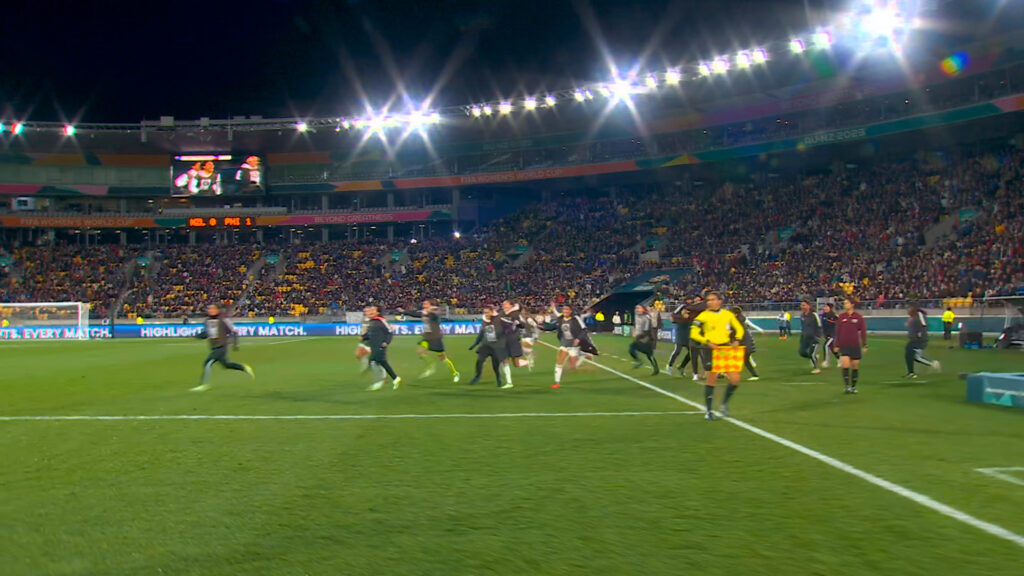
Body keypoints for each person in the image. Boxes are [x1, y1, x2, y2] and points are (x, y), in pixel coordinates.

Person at [689, 292, 745, 421]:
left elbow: (739, 328)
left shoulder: (727, 314)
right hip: (710, 349)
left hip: (725, 348)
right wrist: (707, 342)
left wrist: (737, 339)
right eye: (708, 300)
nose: (710, 302)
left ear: (720, 301)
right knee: (711, 379)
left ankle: (724, 403)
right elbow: (693, 333)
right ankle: (709, 411)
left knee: (735, 379)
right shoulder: (703, 316)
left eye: (713, 299)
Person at [190, 303, 254, 392]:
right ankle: (243, 367)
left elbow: (233, 331)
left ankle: (204, 384)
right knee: (226, 365)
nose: (211, 311)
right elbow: (207, 334)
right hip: (214, 346)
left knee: (207, 362)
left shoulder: (223, 319)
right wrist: (198, 336)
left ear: (217, 310)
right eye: (209, 309)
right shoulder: (207, 321)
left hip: (222, 346)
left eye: (213, 309)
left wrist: (235, 344)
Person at [401, 299, 459, 382]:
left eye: (426, 304)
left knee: (442, 358)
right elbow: (414, 314)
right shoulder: (424, 312)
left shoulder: (435, 312)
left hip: (435, 337)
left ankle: (455, 373)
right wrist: (404, 311)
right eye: (423, 304)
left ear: (430, 305)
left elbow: (435, 315)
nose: (424, 305)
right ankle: (431, 366)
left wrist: (431, 310)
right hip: (427, 336)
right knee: (420, 351)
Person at [541, 305, 589, 389]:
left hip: (574, 346)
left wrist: (578, 339)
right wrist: (543, 327)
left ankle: (582, 354)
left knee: (573, 367)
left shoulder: (576, 319)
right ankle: (557, 382)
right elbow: (552, 327)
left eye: (567, 309)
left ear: (571, 311)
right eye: (564, 309)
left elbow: (584, 330)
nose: (565, 311)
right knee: (559, 363)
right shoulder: (560, 319)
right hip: (564, 344)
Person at [468, 305, 513, 389]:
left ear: (492, 312)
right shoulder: (484, 320)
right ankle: (477, 377)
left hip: (497, 346)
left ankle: (498, 377)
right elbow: (482, 333)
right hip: (486, 345)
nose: (486, 314)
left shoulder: (499, 319)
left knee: (495, 365)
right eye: (485, 312)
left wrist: (506, 337)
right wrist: (475, 344)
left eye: (487, 312)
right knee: (480, 360)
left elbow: (510, 328)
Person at [362, 305, 402, 390]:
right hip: (374, 346)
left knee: (375, 362)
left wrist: (386, 342)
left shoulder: (381, 321)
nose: (371, 311)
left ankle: (380, 381)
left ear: (378, 312)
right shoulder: (372, 321)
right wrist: (364, 337)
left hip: (380, 346)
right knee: (380, 362)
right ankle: (394, 378)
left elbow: (389, 332)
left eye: (373, 310)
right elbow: (370, 333)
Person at [833, 298, 868, 394]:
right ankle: (847, 386)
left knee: (855, 366)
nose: (845, 305)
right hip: (844, 345)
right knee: (845, 364)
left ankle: (853, 386)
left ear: (852, 304)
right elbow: (838, 332)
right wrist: (836, 345)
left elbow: (863, 331)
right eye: (844, 303)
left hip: (855, 345)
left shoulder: (858, 317)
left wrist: (864, 345)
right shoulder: (841, 317)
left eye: (846, 303)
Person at [905, 305, 941, 379]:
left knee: (911, 355)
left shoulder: (919, 316)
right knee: (913, 356)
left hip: (918, 340)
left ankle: (912, 373)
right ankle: (931, 364)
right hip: (914, 339)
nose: (907, 310)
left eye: (909, 308)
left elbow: (924, 326)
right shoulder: (913, 317)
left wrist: (920, 333)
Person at [731, 306, 764, 381]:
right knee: (744, 357)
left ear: (735, 314)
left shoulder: (736, 321)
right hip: (746, 340)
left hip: (745, 341)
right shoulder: (742, 319)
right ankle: (754, 373)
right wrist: (760, 329)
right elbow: (751, 325)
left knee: (743, 358)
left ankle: (754, 375)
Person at [666, 300, 695, 377]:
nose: (687, 312)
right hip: (680, 335)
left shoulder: (691, 315)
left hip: (688, 336)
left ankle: (681, 367)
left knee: (691, 352)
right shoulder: (679, 316)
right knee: (677, 351)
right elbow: (673, 316)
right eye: (685, 311)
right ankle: (669, 365)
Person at [629, 304, 660, 376]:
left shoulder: (646, 318)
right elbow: (636, 325)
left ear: (643, 309)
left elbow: (647, 331)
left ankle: (656, 369)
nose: (637, 309)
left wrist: (638, 336)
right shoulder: (637, 316)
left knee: (649, 355)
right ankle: (638, 361)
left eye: (639, 308)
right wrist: (634, 331)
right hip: (639, 339)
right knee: (631, 348)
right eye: (636, 308)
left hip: (647, 339)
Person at [798, 300, 823, 374]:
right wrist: (802, 336)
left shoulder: (814, 315)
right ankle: (813, 357)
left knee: (812, 353)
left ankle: (816, 368)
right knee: (801, 352)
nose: (802, 307)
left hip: (813, 338)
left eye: (804, 305)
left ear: (808, 306)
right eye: (802, 305)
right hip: (805, 337)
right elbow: (803, 327)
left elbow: (819, 326)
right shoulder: (802, 315)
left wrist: (818, 337)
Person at [820, 303, 839, 368]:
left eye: (826, 307)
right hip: (827, 335)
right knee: (832, 348)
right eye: (824, 307)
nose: (825, 308)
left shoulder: (834, 316)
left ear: (830, 308)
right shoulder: (823, 315)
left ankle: (826, 361)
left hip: (832, 334)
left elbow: (838, 322)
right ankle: (839, 359)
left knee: (825, 345)